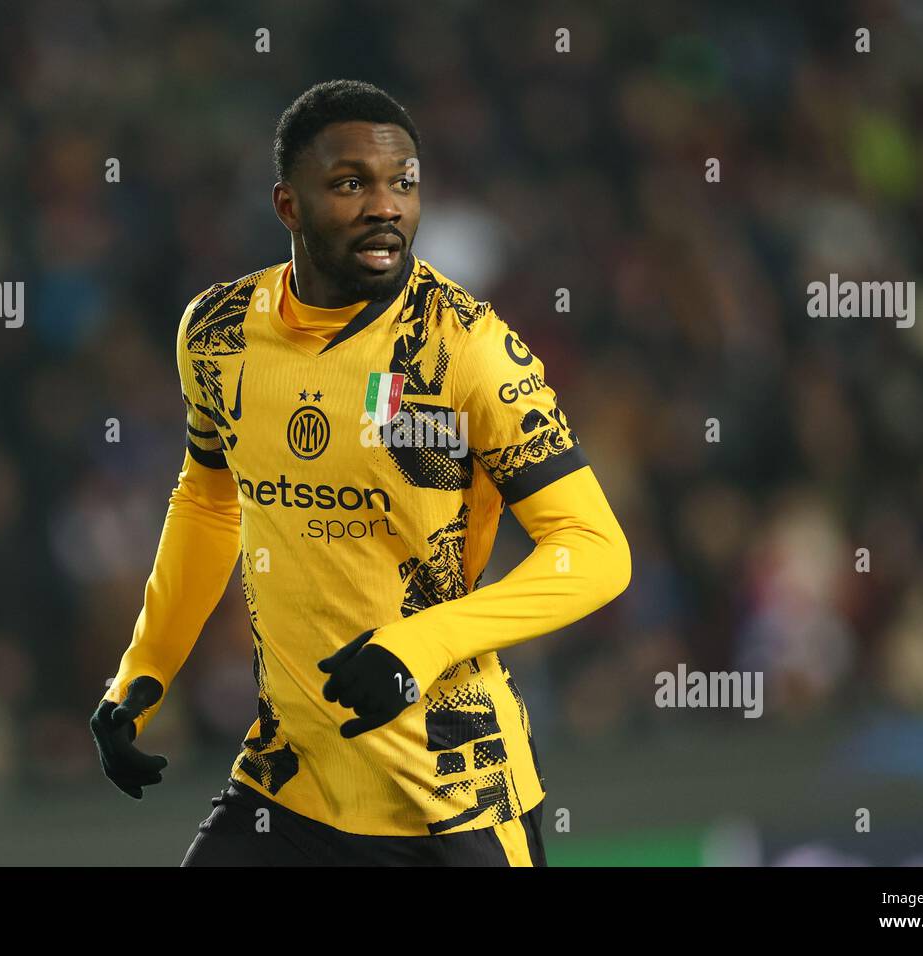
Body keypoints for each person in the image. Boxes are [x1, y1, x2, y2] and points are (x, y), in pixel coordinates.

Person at [90, 79, 631, 866]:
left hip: (451, 798)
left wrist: (421, 644)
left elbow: (595, 550)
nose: (386, 207)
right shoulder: (217, 333)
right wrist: (145, 669)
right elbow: (209, 501)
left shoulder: (465, 350)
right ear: (288, 205)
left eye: (403, 183)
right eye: (350, 185)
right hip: (290, 787)